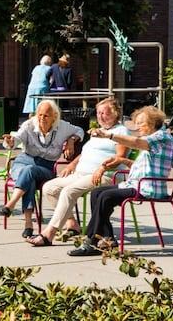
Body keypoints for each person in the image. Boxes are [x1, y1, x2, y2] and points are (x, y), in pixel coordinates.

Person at [68, 106, 173, 256]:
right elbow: (143, 166)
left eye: (141, 123)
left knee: (106, 197)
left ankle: (91, 241)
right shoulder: (154, 138)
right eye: (136, 123)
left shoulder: (161, 137)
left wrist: (109, 136)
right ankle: (108, 240)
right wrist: (123, 160)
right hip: (137, 183)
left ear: (153, 123)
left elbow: (136, 143)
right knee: (97, 193)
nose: (137, 127)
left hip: (148, 187)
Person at [26, 98, 129, 246]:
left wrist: (102, 168)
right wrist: (72, 164)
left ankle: (49, 234)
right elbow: (86, 152)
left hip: (104, 176)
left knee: (68, 191)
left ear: (115, 114)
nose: (99, 116)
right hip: (81, 174)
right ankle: (72, 224)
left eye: (104, 113)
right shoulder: (98, 131)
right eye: (98, 112)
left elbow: (120, 157)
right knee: (49, 188)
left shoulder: (121, 131)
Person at [0, 100, 84, 238]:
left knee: (29, 172)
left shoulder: (62, 126)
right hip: (23, 162)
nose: (41, 118)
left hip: (46, 167)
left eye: (46, 116)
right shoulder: (29, 125)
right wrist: (10, 142)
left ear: (54, 117)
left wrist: (71, 140)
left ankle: (11, 204)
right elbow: (17, 139)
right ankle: (28, 224)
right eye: (39, 115)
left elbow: (80, 130)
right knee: (29, 177)